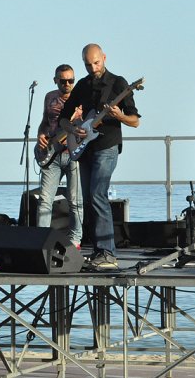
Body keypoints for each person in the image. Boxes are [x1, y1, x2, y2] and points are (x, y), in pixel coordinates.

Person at [59, 44, 140, 270]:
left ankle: (108, 253)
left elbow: (135, 120)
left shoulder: (119, 83)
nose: (93, 68)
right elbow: (64, 118)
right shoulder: (83, 85)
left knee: (97, 194)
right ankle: (97, 252)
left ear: (104, 57)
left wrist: (119, 115)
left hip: (107, 145)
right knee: (88, 199)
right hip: (86, 147)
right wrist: (73, 130)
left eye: (96, 63)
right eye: (87, 64)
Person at [35, 64, 83, 248]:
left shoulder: (81, 100)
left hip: (73, 154)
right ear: (56, 80)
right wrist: (40, 135)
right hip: (50, 155)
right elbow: (44, 121)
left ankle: (75, 241)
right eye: (63, 81)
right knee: (45, 201)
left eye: (71, 80)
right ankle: (41, 241)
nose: (68, 84)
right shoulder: (50, 97)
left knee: (75, 201)